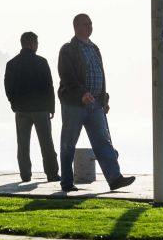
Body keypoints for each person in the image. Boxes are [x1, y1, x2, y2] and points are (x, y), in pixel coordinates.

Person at [58, 14, 135, 192]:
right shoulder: (68, 49)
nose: (90, 27)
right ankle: (67, 182)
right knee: (69, 143)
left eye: (91, 24)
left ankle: (115, 178)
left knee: (103, 141)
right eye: (86, 24)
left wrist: (104, 99)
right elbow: (67, 75)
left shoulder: (95, 48)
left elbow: (100, 74)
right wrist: (81, 94)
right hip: (75, 104)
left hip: (95, 105)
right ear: (76, 26)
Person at [4, 31, 60, 183]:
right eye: (37, 42)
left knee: (23, 144)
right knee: (46, 143)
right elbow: (49, 86)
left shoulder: (12, 63)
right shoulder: (41, 62)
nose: (37, 45)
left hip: (21, 109)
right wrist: (51, 107)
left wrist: (13, 103)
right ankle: (52, 173)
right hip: (41, 108)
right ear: (31, 43)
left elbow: (8, 86)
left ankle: (25, 174)